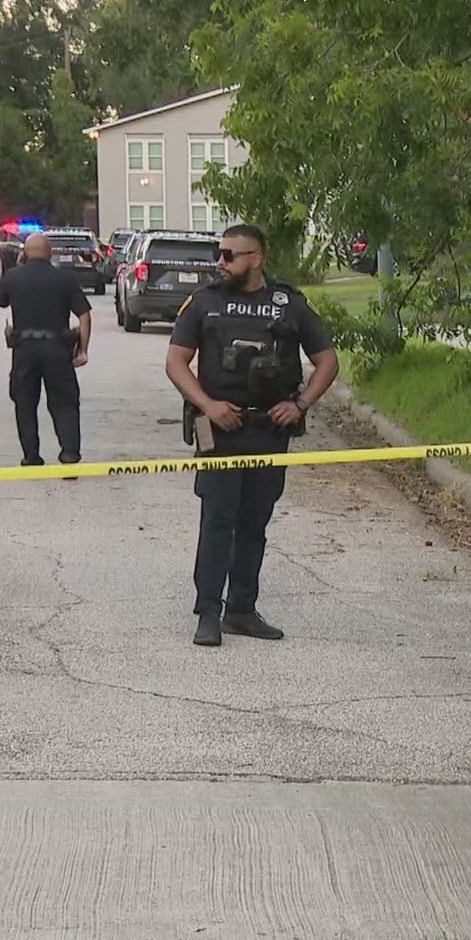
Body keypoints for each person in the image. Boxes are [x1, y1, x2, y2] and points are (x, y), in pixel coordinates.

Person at [165, 224, 339, 647]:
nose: (219, 262)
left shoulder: (288, 304)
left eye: (229, 255)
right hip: (219, 430)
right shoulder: (204, 303)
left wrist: (299, 405)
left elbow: (327, 361)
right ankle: (209, 611)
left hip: (268, 430)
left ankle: (241, 609)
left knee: (254, 521)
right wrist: (208, 405)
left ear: (256, 258)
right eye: (218, 254)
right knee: (218, 519)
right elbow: (175, 362)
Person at [0, 232, 91, 465]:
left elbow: (1, 300)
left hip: (24, 350)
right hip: (57, 349)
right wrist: (83, 350)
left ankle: (31, 456)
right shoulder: (65, 278)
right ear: (50, 253)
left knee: (25, 402)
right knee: (65, 401)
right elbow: (84, 316)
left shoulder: (13, 276)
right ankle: (69, 452)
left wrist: (17, 266)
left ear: (24, 254)